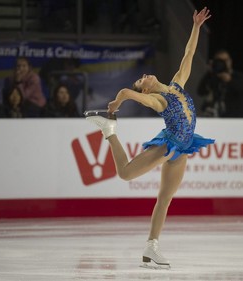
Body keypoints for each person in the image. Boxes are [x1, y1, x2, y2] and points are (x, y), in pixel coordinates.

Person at [84, 7, 214, 269]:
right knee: (126, 174)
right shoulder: (157, 99)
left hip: (184, 148)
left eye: (143, 76)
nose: (145, 77)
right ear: (145, 88)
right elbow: (126, 91)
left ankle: (151, 248)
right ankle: (109, 133)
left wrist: (196, 27)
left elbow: (188, 53)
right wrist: (116, 105)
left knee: (165, 198)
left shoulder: (177, 84)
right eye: (141, 79)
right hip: (169, 145)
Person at [197, 49, 243, 117]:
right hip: (212, 116)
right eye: (219, 61)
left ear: (230, 61)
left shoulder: (238, 76)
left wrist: (229, 80)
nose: (222, 63)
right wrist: (210, 73)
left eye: (225, 60)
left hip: (233, 118)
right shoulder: (211, 76)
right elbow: (201, 91)